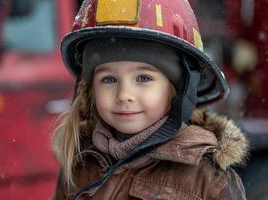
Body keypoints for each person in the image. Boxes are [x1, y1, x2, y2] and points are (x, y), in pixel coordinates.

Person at [52, 0, 248, 199]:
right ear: (90, 90)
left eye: (143, 78)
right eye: (109, 79)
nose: (124, 95)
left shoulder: (205, 178)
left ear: (178, 89)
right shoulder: (80, 163)